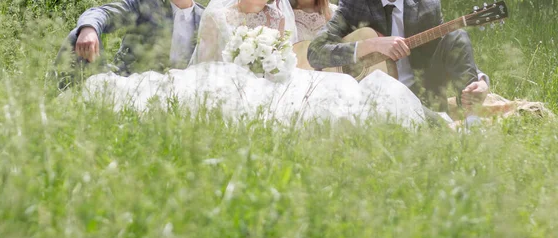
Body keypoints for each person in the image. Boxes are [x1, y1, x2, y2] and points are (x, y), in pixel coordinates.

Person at [83, 0, 431, 128]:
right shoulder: (218, 16)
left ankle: (430, 116)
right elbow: (204, 66)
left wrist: (274, 61)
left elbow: (291, 55)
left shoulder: (279, 15)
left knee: (338, 93)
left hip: (273, 79)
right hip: (224, 78)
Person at [307, 0, 489, 113]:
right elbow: (315, 52)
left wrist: (481, 80)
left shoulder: (427, 3)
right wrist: (372, 44)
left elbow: (447, 47)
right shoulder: (356, 4)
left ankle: (472, 117)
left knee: (458, 36)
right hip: (377, 97)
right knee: (434, 125)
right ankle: (439, 123)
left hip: (424, 90)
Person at [48, 0, 204, 90]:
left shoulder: (205, 17)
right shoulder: (146, 4)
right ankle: (55, 98)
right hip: (129, 83)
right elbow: (102, 13)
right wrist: (89, 29)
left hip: (179, 91)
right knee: (77, 35)